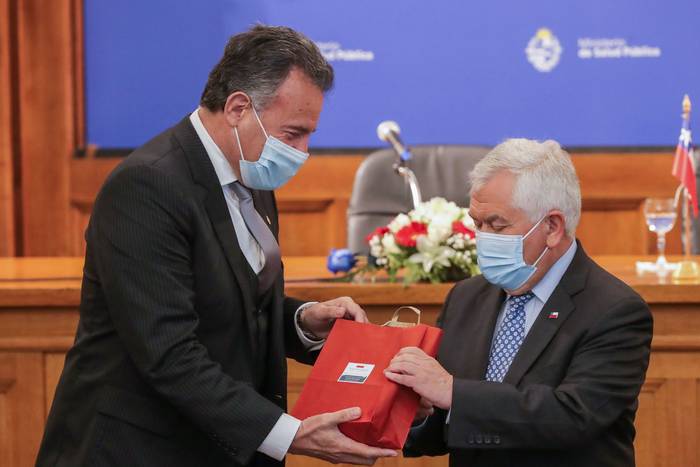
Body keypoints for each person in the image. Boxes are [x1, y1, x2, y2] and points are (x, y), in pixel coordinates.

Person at [36, 25, 396, 467]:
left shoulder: (249, 168)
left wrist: (303, 320)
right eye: (293, 134)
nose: (303, 151)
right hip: (140, 449)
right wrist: (290, 434)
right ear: (239, 108)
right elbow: (169, 351)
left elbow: (231, 305)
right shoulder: (147, 186)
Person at [384, 138, 653, 466]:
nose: (482, 237)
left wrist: (452, 391)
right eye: (477, 224)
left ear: (552, 227)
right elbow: (449, 418)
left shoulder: (616, 311)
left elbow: (572, 416)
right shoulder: (466, 297)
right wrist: (416, 412)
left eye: (496, 225)